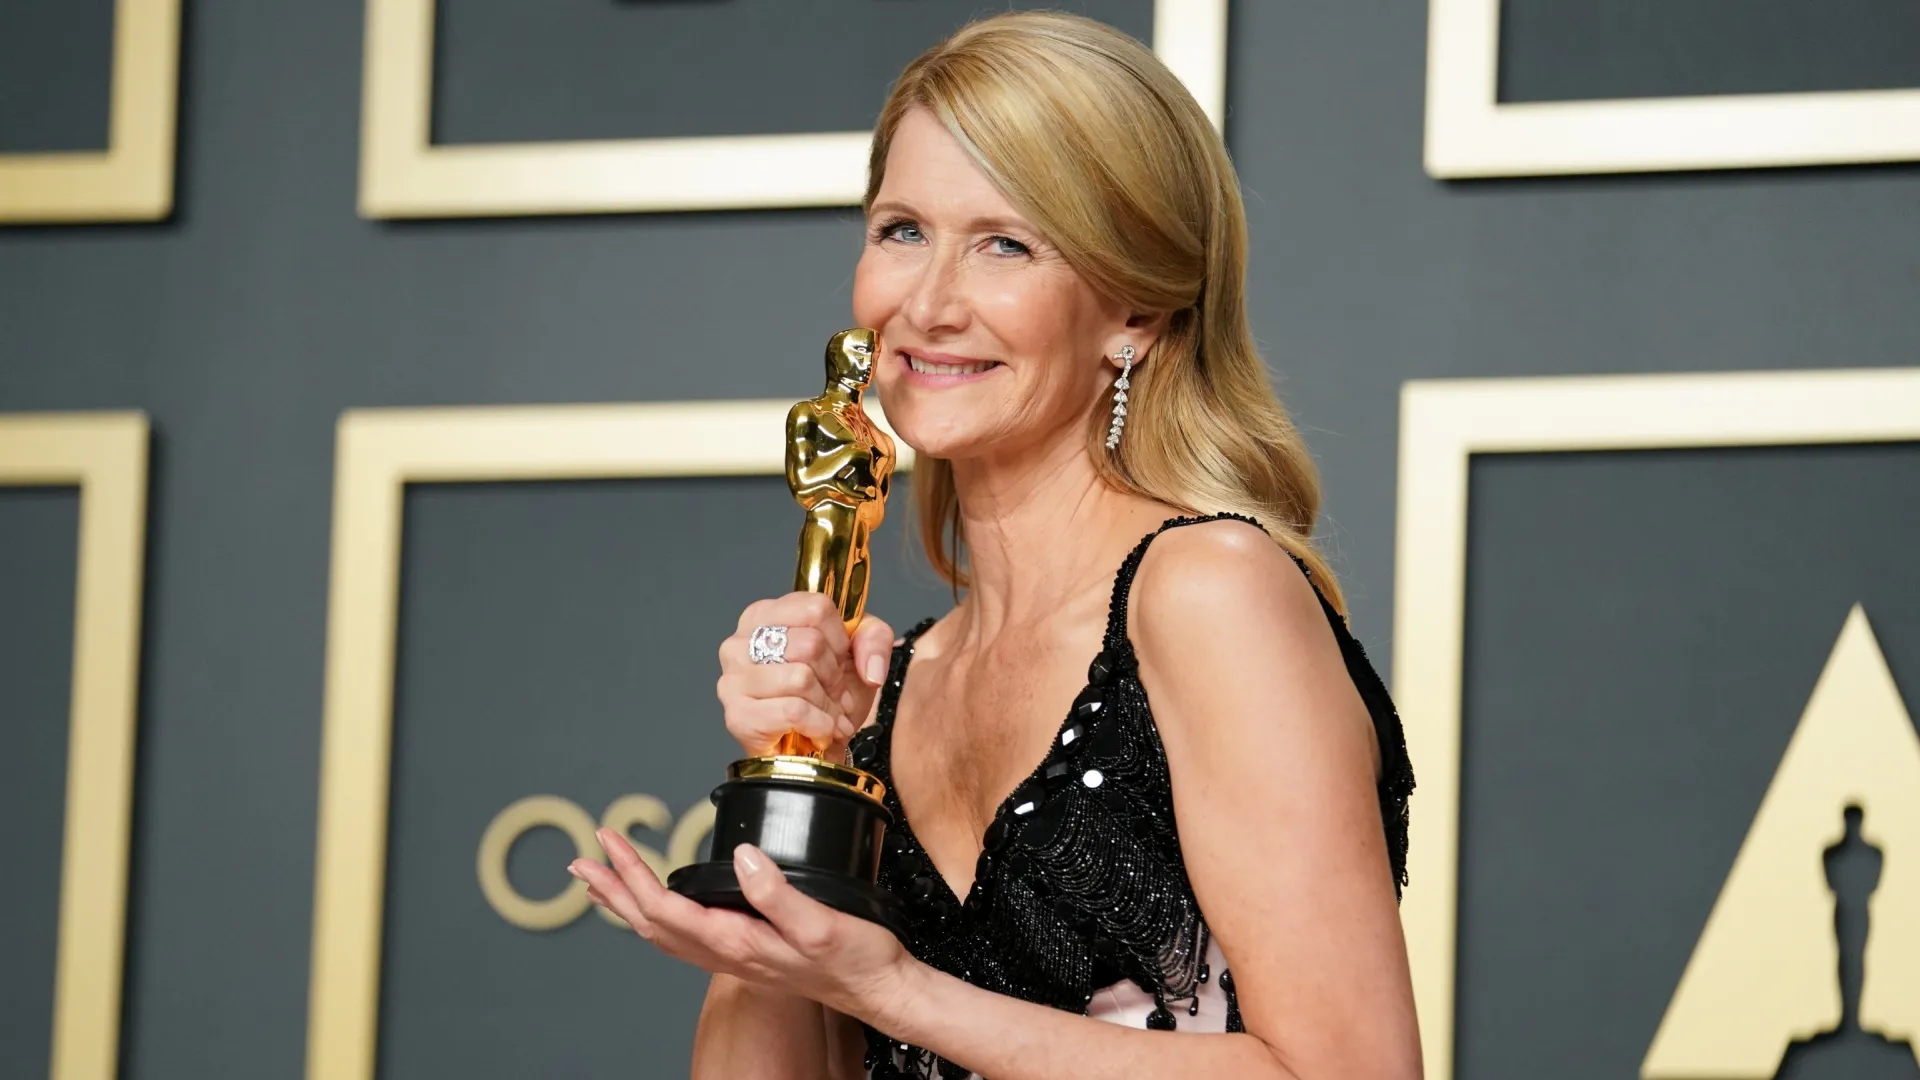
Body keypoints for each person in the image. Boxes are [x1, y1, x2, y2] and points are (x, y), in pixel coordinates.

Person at [569, 12, 1420, 1079]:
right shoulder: (896, 682)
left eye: (1005, 244)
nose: (928, 304)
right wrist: (805, 773)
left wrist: (898, 990)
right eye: (901, 231)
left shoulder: (1209, 590)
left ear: (1136, 310)